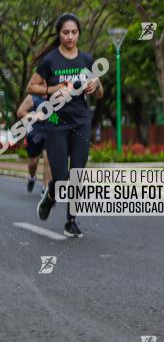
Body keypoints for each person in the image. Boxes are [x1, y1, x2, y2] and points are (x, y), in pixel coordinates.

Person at [28, 13, 104, 238]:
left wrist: (96, 84)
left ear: (79, 33)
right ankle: (50, 197)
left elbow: (100, 94)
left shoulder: (87, 60)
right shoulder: (50, 60)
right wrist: (53, 89)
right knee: (60, 177)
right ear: (59, 33)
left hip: (81, 121)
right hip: (56, 122)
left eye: (74, 32)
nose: (70, 37)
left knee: (77, 174)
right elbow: (31, 88)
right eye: (65, 32)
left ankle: (71, 221)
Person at [15, 94, 52, 193]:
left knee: (48, 160)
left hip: (50, 132)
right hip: (34, 133)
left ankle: (45, 189)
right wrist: (35, 116)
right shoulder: (33, 97)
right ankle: (32, 177)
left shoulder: (56, 94)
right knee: (33, 163)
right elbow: (20, 112)